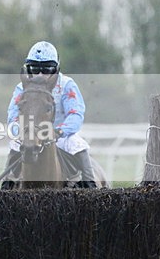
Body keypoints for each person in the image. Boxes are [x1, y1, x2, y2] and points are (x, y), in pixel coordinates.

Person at [5, 40, 98, 188]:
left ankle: (91, 188)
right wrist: (21, 131)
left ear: (55, 70)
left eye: (46, 70)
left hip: (60, 135)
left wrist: (59, 131)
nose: (40, 74)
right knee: (14, 145)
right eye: (35, 69)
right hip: (30, 134)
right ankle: (7, 187)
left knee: (77, 144)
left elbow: (76, 114)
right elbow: (13, 115)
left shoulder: (67, 84)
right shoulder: (21, 88)